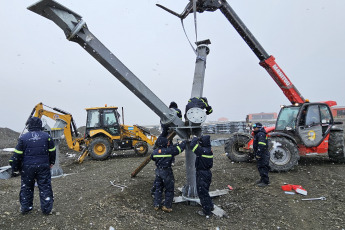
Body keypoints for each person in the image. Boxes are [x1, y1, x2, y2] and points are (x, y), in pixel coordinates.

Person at [12, 117, 56, 215]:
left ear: (29, 125)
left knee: (27, 187)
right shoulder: (47, 136)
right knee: (45, 187)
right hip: (43, 166)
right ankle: (46, 209)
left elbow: (17, 154)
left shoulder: (23, 138)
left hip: (27, 167)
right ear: (40, 125)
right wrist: (51, 162)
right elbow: (52, 151)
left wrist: (16, 167)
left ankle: (26, 207)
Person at [151, 136, 186, 212]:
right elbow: (179, 149)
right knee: (169, 189)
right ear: (165, 143)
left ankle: (156, 204)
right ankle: (166, 206)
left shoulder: (155, 151)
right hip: (166, 172)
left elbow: (153, 158)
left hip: (158, 171)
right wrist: (184, 142)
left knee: (158, 188)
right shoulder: (170, 151)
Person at [190, 135, 214, 218]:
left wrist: (195, 138)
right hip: (207, 173)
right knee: (205, 191)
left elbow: (192, 146)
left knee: (202, 193)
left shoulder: (202, 151)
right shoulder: (208, 150)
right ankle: (210, 206)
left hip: (202, 174)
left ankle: (206, 212)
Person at [252, 122, 270, 187]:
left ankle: (265, 182)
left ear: (258, 127)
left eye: (255, 127)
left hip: (263, 154)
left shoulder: (261, 134)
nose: (253, 128)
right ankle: (262, 179)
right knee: (260, 167)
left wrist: (259, 153)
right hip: (261, 154)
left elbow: (261, 145)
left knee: (263, 167)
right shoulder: (258, 134)